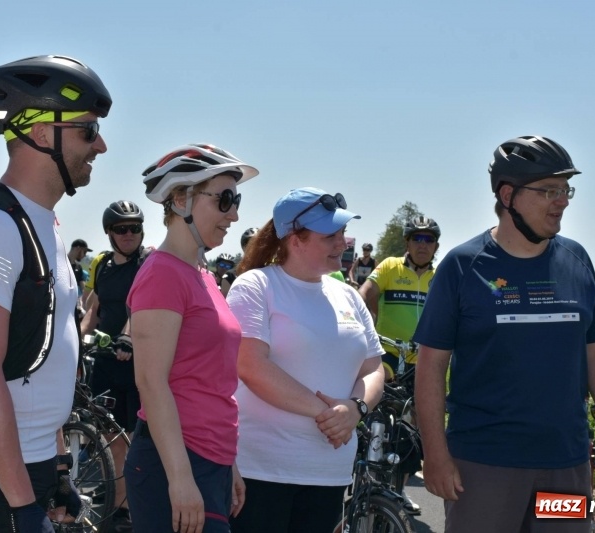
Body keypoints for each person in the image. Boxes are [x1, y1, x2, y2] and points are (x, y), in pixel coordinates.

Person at [413, 135, 595, 533]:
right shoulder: (463, 266)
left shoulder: (576, 260)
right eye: (549, 190)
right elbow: (430, 368)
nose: (562, 200)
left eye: (566, 190)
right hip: (483, 467)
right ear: (508, 195)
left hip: (565, 465)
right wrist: (436, 454)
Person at [0, 54, 112, 532]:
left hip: (27, 462)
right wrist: (21, 506)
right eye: (89, 131)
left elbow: (48, 359)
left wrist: (56, 468)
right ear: (39, 132)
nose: (102, 145)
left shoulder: (45, 224)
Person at [227, 187, 385, 533]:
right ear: (295, 239)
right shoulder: (256, 286)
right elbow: (251, 366)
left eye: (342, 233)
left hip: (329, 474)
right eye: (331, 235)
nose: (342, 243)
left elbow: (373, 367)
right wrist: (330, 415)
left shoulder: (347, 294)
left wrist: (355, 408)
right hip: (262, 471)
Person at [124, 143, 258, 533]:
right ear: (181, 198)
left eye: (237, 200)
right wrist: (181, 478)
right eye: (225, 200)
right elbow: (151, 382)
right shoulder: (163, 274)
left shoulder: (201, 274)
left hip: (207, 459)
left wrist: (228, 462)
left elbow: (209, 378)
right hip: (175, 463)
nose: (234, 214)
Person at [80, 200, 148, 532]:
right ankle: (121, 510)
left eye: (134, 227)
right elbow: (95, 307)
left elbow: (139, 306)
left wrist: (127, 337)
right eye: (121, 229)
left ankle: (140, 510)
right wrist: (76, 338)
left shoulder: (148, 263)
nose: (128, 234)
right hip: (105, 365)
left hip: (138, 365)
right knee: (113, 440)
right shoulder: (101, 264)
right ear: (109, 232)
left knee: (136, 439)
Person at [359, 216, 441, 378]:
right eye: (417, 238)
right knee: (378, 393)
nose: (422, 245)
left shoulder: (439, 276)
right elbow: (364, 293)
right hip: (388, 352)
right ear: (407, 243)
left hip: (423, 358)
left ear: (436, 246)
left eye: (429, 239)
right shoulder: (390, 266)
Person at [68, 238, 92, 311]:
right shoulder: (61, 263)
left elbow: (82, 285)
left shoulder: (78, 267)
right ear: (78, 248)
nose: (84, 255)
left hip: (74, 304)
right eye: (84, 252)